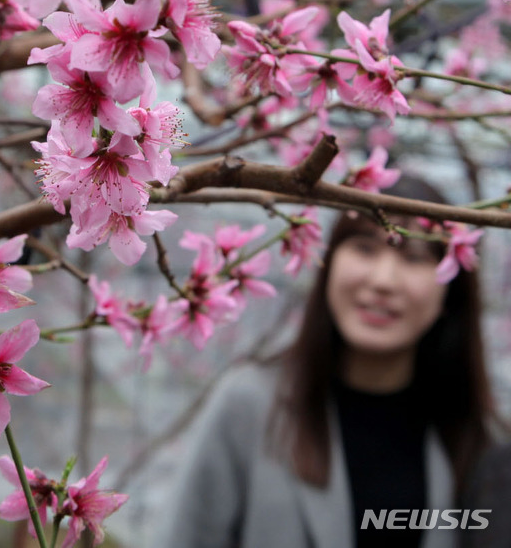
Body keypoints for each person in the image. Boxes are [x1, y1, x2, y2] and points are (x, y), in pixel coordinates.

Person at [155, 177, 499, 548]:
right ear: (328, 263)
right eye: (365, 248)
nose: (383, 280)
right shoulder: (249, 406)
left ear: (451, 290)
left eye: (414, 257)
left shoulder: (481, 440)